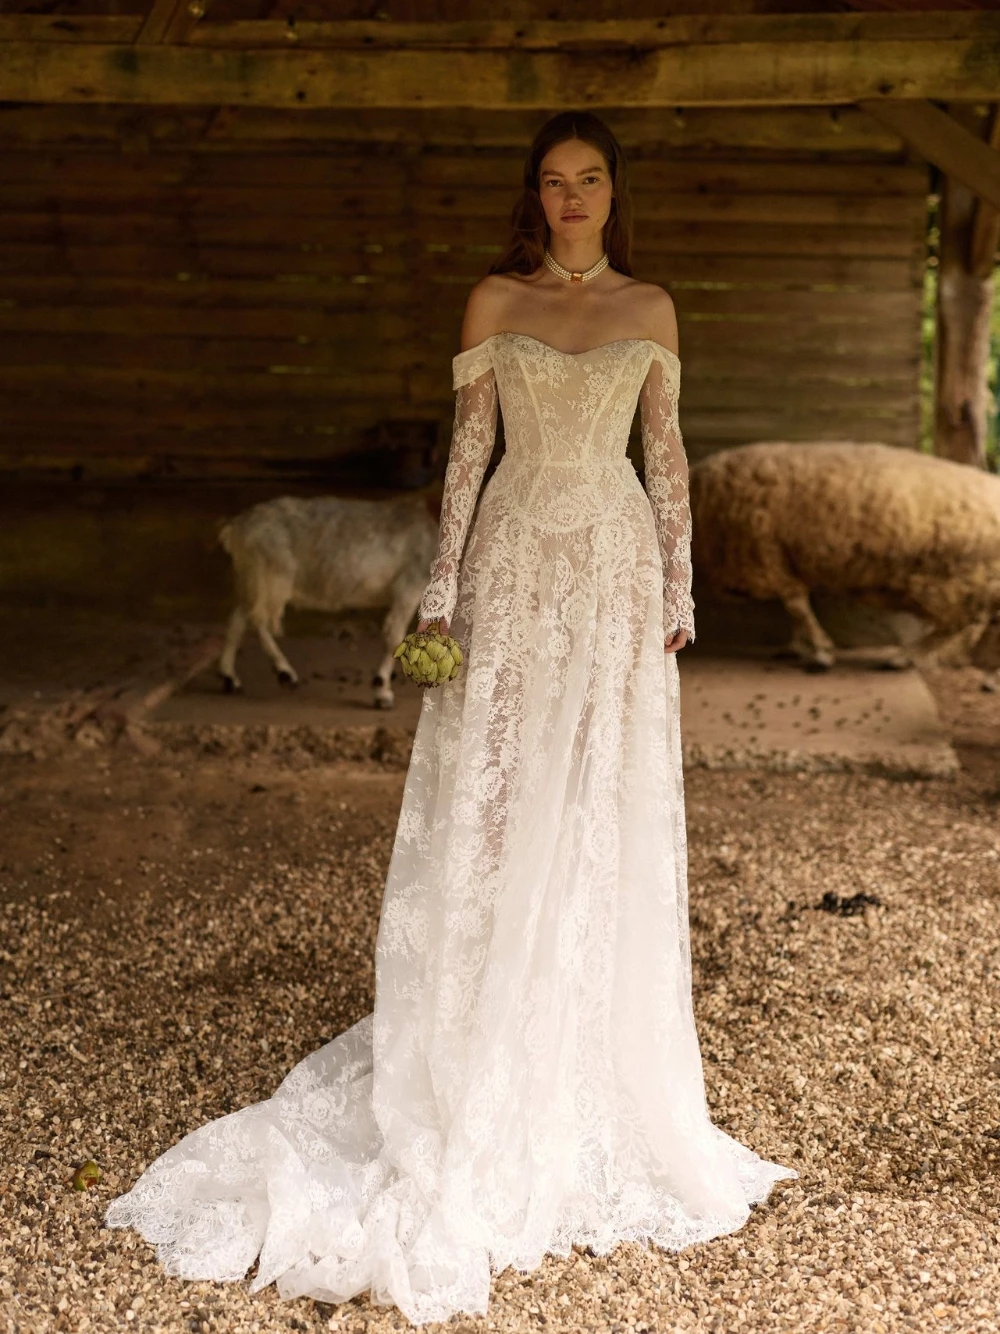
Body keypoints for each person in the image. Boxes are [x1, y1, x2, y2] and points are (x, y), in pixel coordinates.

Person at [103, 110, 798, 1327]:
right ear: (533, 198)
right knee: (494, 782)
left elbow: (669, 456)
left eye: (589, 180)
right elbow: (467, 459)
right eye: (552, 182)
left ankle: (590, 1035)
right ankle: (481, 1019)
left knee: (597, 789)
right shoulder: (492, 302)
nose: (571, 198)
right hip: (518, 560)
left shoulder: (653, 308)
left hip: (618, 570)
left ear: (612, 193)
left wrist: (680, 586)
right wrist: (441, 590)